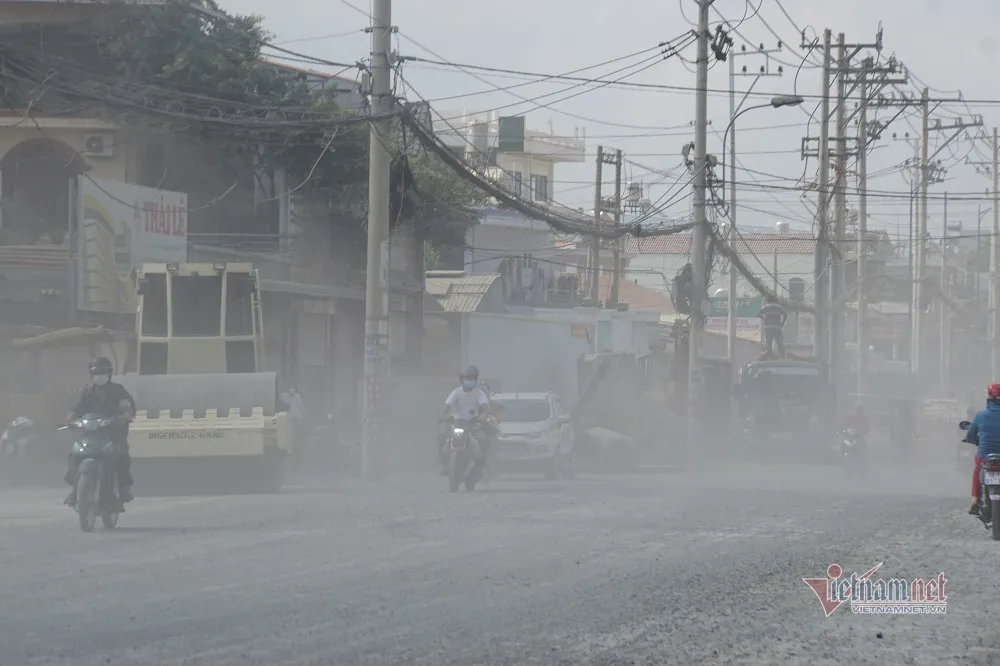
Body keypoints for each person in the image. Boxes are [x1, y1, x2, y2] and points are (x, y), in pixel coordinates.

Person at [64, 357, 136, 508]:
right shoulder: (87, 392)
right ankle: (75, 490)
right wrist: (71, 419)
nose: (99, 376)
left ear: (109, 374)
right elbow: (75, 409)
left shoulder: (119, 391)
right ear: (91, 375)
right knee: (74, 455)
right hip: (90, 436)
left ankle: (122, 488)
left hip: (113, 436)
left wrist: (125, 416)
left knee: (121, 456)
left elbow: (127, 407)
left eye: (103, 372)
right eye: (96, 373)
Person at [437, 366, 490, 474]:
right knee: (441, 439)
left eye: (471, 378)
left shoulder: (478, 392)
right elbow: (448, 405)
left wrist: (484, 414)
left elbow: (484, 404)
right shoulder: (456, 392)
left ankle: (482, 465)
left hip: (473, 425)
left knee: (483, 440)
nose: (469, 381)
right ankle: (444, 465)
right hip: (456, 424)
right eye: (467, 378)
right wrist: (442, 416)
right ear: (461, 379)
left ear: (475, 379)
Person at [964, 383, 1000, 515]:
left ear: (988, 398)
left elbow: (970, 436)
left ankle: (975, 501)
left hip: (985, 455)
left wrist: (972, 440)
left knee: (977, 472)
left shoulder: (981, 415)